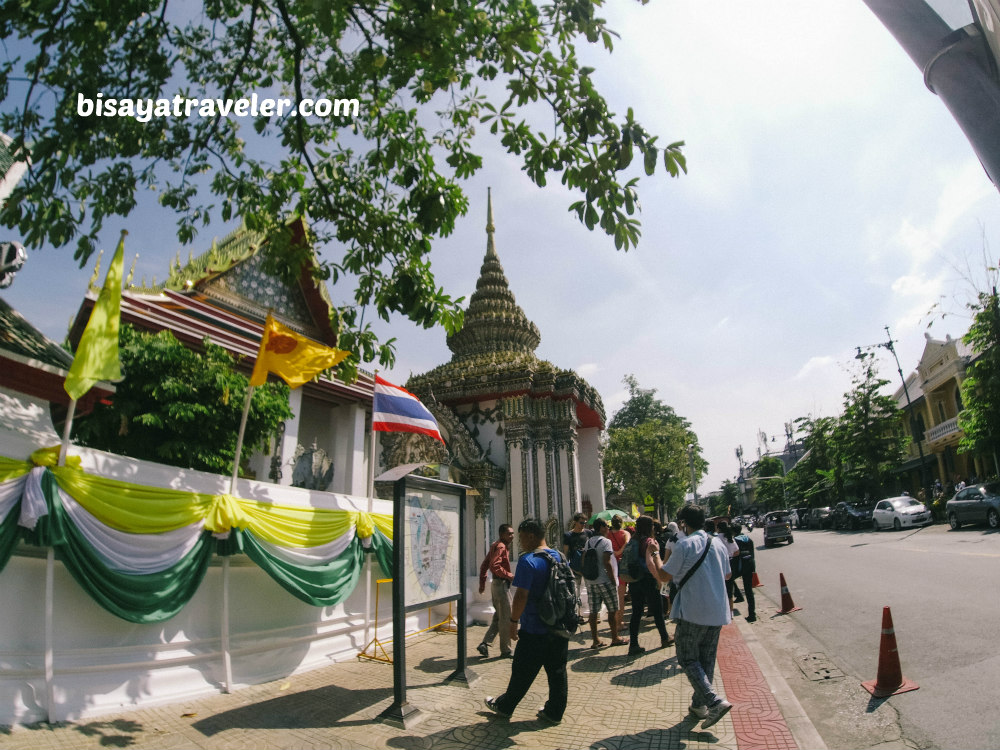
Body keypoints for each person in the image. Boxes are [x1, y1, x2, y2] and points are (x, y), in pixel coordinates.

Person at [648, 504, 733, 730]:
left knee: (686, 658)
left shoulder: (685, 545)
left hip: (694, 610)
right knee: (705, 661)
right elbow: (727, 574)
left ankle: (714, 701)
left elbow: (664, 575)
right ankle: (699, 706)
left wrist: (656, 553)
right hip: (718, 611)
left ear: (684, 523)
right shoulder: (718, 543)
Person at [485, 518, 569, 724]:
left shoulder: (528, 560)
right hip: (559, 626)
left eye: (521, 537)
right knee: (557, 672)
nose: (519, 542)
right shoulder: (560, 556)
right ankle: (554, 712)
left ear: (531, 536)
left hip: (535, 627)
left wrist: (513, 622)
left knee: (522, 670)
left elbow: (521, 595)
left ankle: (505, 706)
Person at [626, 515, 672, 656]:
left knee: (636, 613)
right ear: (649, 527)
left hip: (634, 580)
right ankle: (665, 638)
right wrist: (659, 579)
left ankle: (633, 644)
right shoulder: (649, 541)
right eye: (652, 525)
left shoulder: (632, 540)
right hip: (648, 579)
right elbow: (650, 563)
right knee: (657, 611)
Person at [582, 518, 624, 648]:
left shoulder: (588, 542)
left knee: (593, 612)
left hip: (591, 582)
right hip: (605, 581)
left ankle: (595, 640)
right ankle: (615, 637)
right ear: (601, 527)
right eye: (606, 526)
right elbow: (607, 562)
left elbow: (583, 560)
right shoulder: (606, 542)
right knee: (612, 610)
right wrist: (612, 579)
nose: (608, 528)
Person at [477, 524, 515, 658]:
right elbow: (494, 566)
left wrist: (482, 584)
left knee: (499, 617)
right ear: (502, 534)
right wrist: (510, 576)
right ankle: (506, 650)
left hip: (497, 585)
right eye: (509, 533)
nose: (512, 536)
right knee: (506, 618)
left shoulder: (495, 545)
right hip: (501, 585)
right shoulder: (501, 546)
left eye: (513, 533)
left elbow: (484, 565)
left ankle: (485, 643)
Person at [562, 513, 591, 622]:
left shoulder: (588, 533)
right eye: (581, 522)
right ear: (575, 522)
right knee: (576, 591)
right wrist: (567, 567)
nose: (583, 525)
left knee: (590, 590)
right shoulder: (568, 535)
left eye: (584, 522)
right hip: (575, 567)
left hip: (587, 567)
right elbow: (565, 552)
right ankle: (578, 614)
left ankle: (592, 613)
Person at [608, 515, 631, 630]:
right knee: (620, 597)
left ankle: (613, 622)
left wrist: (613, 552)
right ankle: (619, 623)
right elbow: (628, 543)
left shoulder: (607, 534)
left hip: (610, 566)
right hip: (622, 566)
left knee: (612, 597)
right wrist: (620, 552)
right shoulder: (625, 533)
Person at [733, 523, 756, 623]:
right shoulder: (748, 539)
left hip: (739, 567)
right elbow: (752, 554)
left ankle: (737, 595)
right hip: (750, 566)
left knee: (728, 580)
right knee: (749, 591)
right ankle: (752, 614)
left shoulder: (734, 541)